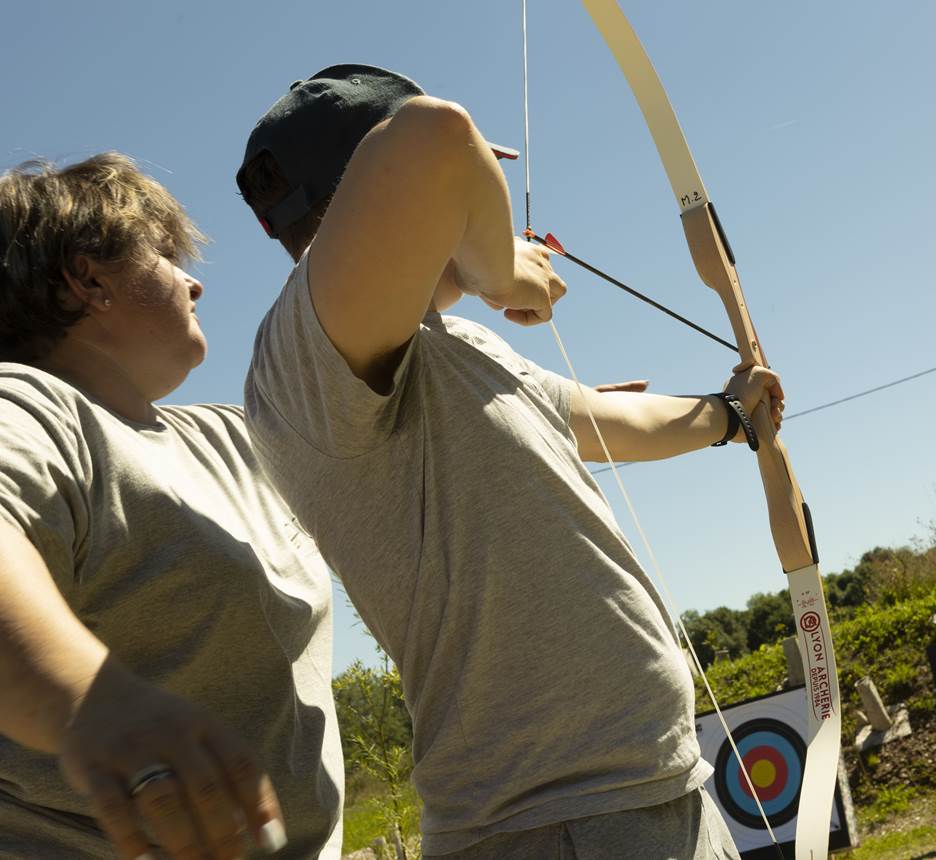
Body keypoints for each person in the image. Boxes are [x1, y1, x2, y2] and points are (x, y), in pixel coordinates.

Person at [236, 65, 783, 858]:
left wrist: (730, 417)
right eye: (474, 189)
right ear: (367, 188)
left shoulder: (452, 348)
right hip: (546, 820)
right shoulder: (301, 360)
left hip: (653, 784)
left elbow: (605, 420)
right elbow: (437, 137)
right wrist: (502, 270)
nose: (481, 200)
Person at [0, 153, 343, 859]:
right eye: (162, 255)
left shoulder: (230, 434)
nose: (194, 283)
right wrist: (90, 702)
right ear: (88, 279)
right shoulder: (30, 408)